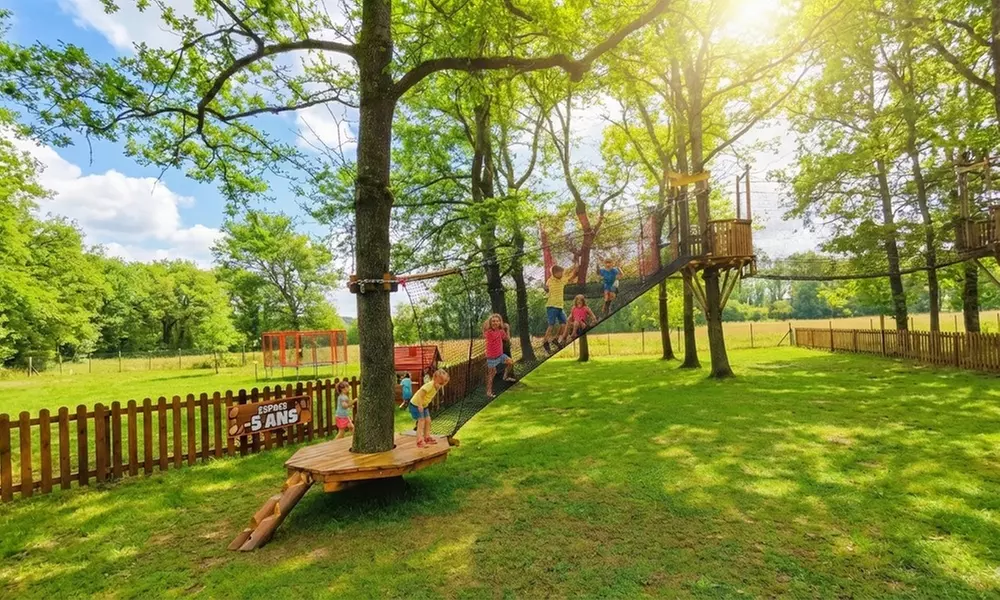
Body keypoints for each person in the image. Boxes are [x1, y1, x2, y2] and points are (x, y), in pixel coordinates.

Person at [543, 260, 578, 353]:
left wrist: (576, 267)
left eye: (562, 273)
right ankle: (545, 342)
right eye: (560, 273)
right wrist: (546, 288)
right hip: (551, 306)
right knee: (551, 325)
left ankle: (555, 339)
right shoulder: (550, 280)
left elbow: (571, 277)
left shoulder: (562, 280)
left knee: (564, 323)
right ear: (555, 273)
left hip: (560, 306)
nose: (562, 274)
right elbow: (546, 287)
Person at [410, 368, 449, 448]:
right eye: (440, 383)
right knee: (421, 421)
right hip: (416, 404)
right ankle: (419, 441)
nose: (440, 385)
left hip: (424, 405)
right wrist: (420, 405)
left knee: (428, 420)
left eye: (442, 384)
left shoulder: (437, 386)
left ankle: (427, 437)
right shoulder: (429, 385)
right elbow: (420, 394)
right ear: (434, 379)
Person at [483, 314, 516, 399]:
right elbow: (484, 327)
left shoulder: (501, 331)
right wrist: (490, 321)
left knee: (510, 362)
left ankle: (505, 377)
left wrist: (507, 329)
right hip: (491, 358)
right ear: (490, 322)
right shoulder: (488, 332)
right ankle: (489, 392)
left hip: (500, 355)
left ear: (500, 322)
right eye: (493, 321)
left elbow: (507, 339)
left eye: (497, 321)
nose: (495, 323)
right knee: (491, 375)